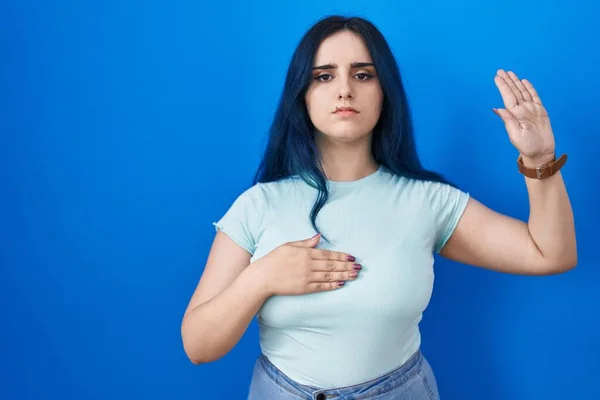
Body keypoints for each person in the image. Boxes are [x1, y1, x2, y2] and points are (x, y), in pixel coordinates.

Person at [180, 15, 577, 400]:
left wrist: (540, 159)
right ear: (301, 95)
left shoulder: (428, 200)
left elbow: (550, 254)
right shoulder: (258, 205)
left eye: (363, 74)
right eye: (324, 76)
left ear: (385, 92)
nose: (344, 90)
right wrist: (262, 277)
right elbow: (198, 347)